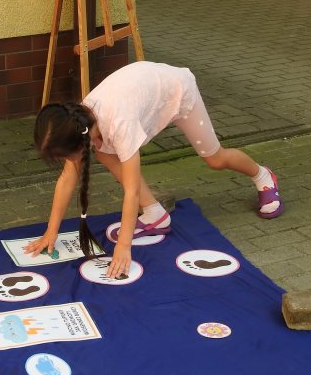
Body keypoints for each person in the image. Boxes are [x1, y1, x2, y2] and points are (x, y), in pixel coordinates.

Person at [25, 60, 281, 277]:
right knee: (104, 153)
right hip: (147, 92)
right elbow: (67, 178)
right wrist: (51, 231)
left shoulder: (119, 124)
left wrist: (123, 246)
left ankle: (262, 175)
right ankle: (155, 214)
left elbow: (131, 191)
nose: (68, 162)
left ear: (79, 143)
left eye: (66, 156)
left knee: (215, 159)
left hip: (178, 92)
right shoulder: (79, 122)